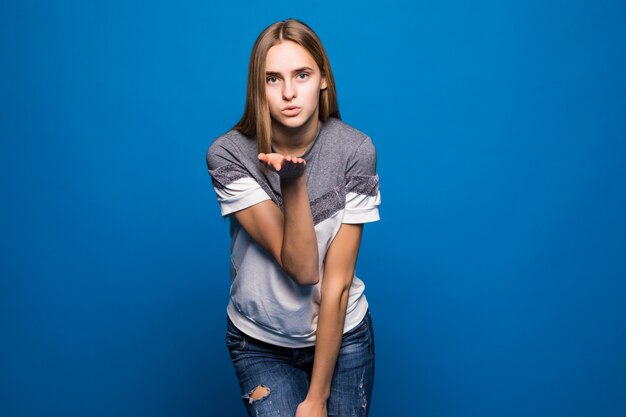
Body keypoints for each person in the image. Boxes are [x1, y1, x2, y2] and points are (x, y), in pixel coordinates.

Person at [205, 18, 381, 417]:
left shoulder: (355, 150)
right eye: (272, 79)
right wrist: (294, 184)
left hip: (344, 335)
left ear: (322, 78)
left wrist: (317, 398)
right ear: (258, 87)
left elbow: (334, 285)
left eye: (302, 75)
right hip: (260, 343)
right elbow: (302, 268)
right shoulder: (229, 154)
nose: (288, 93)